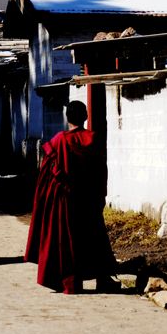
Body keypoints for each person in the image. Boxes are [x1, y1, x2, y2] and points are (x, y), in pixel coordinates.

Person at [24, 100, 118, 294]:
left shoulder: (59, 140)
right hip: (89, 199)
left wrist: (46, 200)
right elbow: (102, 170)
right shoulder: (94, 139)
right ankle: (103, 278)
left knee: (66, 241)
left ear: (67, 118)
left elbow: (47, 172)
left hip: (65, 200)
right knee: (95, 238)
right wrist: (101, 195)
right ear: (86, 117)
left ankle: (70, 282)